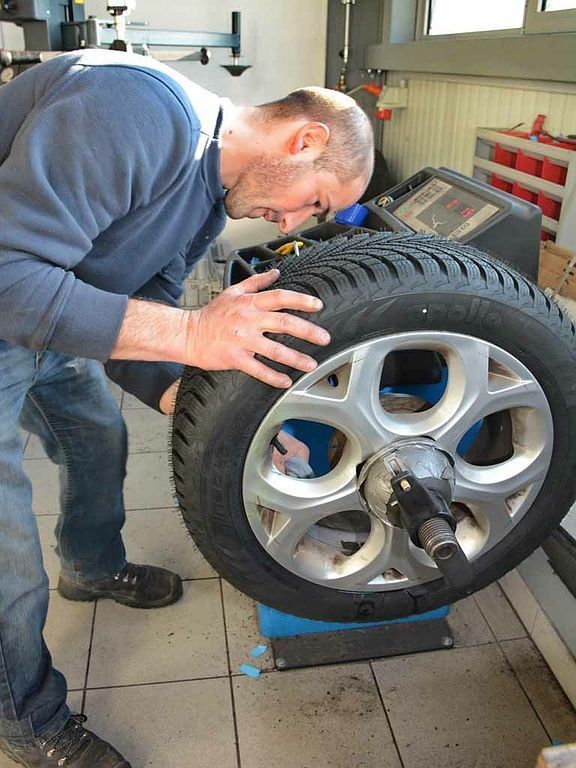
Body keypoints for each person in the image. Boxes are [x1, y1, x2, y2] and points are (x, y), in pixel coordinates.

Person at [0, 49, 374, 767]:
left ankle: (91, 567)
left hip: (45, 324)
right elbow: (9, 274)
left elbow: (141, 321)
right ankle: (28, 720)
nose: (295, 220)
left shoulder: (205, 205)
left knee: (95, 438)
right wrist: (197, 333)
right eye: (316, 203)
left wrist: (206, 406)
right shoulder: (137, 111)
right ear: (305, 140)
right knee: (8, 554)